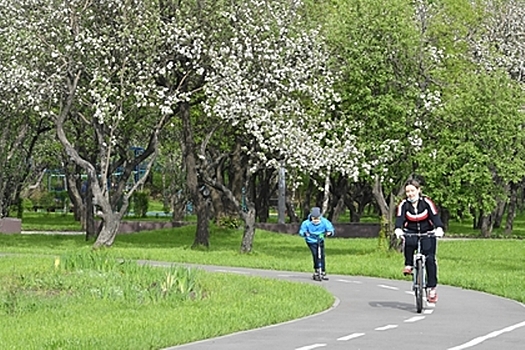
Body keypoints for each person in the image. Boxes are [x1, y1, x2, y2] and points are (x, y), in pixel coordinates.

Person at [394, 178, 444, 303]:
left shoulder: (426, 202)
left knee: (430, 259)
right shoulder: (403, 205)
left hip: (427, 232)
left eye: (412, 191)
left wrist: (439, 228)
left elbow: (435, 217)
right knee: (409, 242)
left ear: (418, 190)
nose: (410, 194)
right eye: (408, 192)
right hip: (411, 232)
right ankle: (409, 264)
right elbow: (399, 219)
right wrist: (398, 229)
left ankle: (431, 288)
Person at [299, 207, 335, 280]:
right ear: (311, 217)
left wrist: (329, 233)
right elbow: (301, 231)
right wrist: (305, 233)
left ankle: (323, 270)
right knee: (315, 254)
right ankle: (317, 270)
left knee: (321, 255)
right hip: (311, 241)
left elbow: (330, 229)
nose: (315, 220)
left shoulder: (324, 222)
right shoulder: (306, 223)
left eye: (317, 218)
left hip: (320, 239)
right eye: (314, 218)